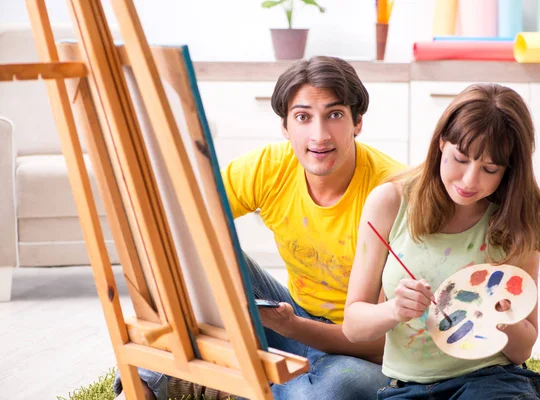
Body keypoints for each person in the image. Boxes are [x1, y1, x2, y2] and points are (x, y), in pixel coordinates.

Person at [114, 56, 406, 399]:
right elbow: (181, 225)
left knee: (334, 388)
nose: (319, 135)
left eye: (335, 115)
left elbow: (380, 343)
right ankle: (147, 387)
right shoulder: (269, 167)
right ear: (285, 127)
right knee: (194, 249)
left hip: (363, 350)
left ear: (358, 122)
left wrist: (292, 327)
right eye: (303, 117)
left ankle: (238, 383)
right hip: (291, 320)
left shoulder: (392, 193)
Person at [342, 83, 540, 399]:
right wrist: (395, 310)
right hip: (407, 386)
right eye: (461, 158)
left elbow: (522, 351)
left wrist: (503, 316)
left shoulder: (515, 220)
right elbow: (353, 327)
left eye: (489, 169)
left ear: (508, 171)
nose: (470, 181)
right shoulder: (389, 202)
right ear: (441, 143)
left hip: (490, 379)